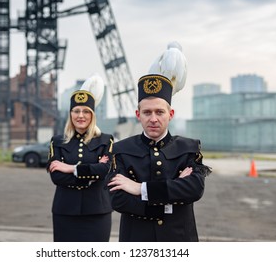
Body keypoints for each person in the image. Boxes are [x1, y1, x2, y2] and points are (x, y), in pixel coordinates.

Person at [108, 42, 211, 242]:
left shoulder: (189, 148)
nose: (153, 118)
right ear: (138, 115)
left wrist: (139, 189)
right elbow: (118, 200)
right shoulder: (121, 150)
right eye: (147, 112)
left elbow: (194, 189)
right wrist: (172, 194)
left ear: (170, 114)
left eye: (159, 112)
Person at [47, 75, 114, 242]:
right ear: (70, 114)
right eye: (76, 111)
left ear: (92, 115)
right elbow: (57, 177)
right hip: (65, 211)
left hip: (97, 212)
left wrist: (71, 169)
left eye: (86, 111)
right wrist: (91, 174)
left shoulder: (105, 140)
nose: (81, 116)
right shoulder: (58, 141)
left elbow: (104, 171)